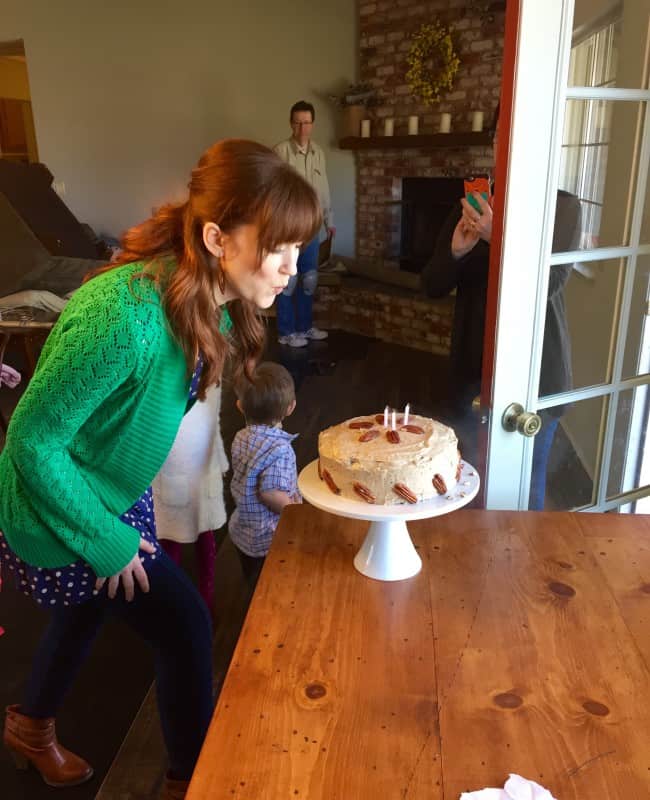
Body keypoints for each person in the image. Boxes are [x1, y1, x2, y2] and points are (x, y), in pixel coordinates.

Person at [0, 139, 321, 800]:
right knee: (184, 626)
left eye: (299, 248)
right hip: (57, 505)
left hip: (112, 493)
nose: (293, 267)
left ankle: (29, 729)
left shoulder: (203, 292)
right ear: (216, 237)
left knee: (87, 614)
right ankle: (190, 782)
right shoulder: (123, 316)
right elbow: (32, 443)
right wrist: (110, 539)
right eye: (280, 248)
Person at [421, 107, 581, 510]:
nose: (508, 144)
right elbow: (432, 285)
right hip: (474, 374)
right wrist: (456, 252)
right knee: (468, 486)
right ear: (493, 141)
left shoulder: (561, 208)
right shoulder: (472, 204)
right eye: (501, 135)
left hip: (537, 375)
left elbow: (549, 285)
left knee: (524, 495)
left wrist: (497, 236)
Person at [152, 382, 230, 619]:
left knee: (172, 535)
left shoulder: (167, 379)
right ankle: (199, 592)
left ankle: (181, 596)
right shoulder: (207, 372)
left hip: (180, 466)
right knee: (192, 533)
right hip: (192, 466)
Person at [228, 361, 301, 588]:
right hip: (269, 537)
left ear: (240, 406)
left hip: (243, 530)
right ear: (291, 407)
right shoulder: (280, 450)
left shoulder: (240, 436)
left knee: (252, 579)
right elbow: (270, 493)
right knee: (270, 584)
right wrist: (295, 512)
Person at [273, 100, 334, 348]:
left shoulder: (318, 153)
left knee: (309, 279)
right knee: (288, 281)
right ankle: (286, 332)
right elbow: (273, 192)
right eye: (297, 123)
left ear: (312, 124)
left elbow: (324, 188)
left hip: (313, 227)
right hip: (288, 229)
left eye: (306, 123)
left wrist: (330, 220)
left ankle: (304, 327)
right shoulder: (279, 152)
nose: (302, 128)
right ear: (291, 124)